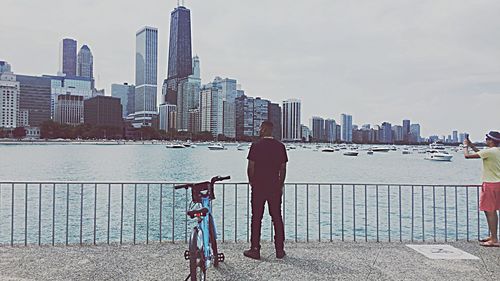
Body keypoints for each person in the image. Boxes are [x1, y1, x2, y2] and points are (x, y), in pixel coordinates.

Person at [244, 120, 288, 259]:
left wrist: (252, 182)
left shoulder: (255, 146)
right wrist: (280, 184)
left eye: (260, 128)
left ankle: (255, 249)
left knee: (256, 218)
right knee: (277, 217)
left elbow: (251, 166)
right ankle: (279, 250)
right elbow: (283, 168)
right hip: (274, 187)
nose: (259, 130)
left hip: (258, 187)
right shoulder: (280, 146)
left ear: (263, 129)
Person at [463, 131, 500, 247]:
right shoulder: (495, 151)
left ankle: (494, 239)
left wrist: (465, 146)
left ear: (492, 141)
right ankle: (493, 236)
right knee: (492, 211)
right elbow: (480, 153)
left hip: (490, 184)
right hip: (497, 183)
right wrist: (471, 145)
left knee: (490, 211)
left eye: (487, 138)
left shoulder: (490, 151)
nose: (485, 140)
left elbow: (467, 156)